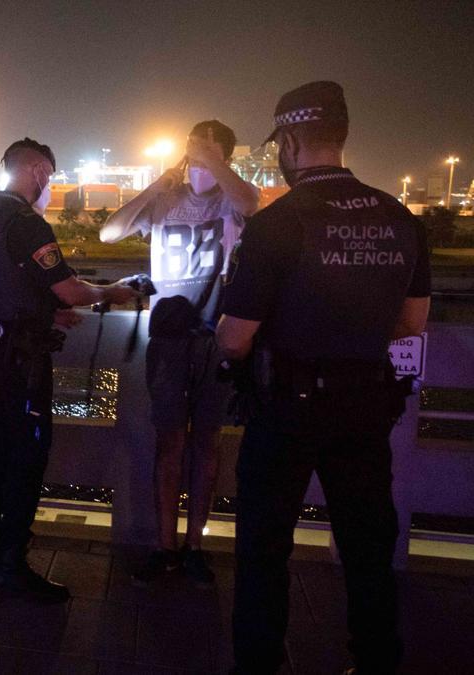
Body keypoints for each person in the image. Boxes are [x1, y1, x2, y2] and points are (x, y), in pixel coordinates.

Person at [217, 81, 430, 674]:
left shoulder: (278, 222)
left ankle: (259, 664)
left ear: (287, 141)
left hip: (286, 406)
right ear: (341, 137)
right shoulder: (399, 216)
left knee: (264, 547)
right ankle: (376, 660)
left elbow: (235, 336)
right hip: (366, 403)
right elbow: (411, 325)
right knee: (367, 546)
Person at [0, 138, 139, 603]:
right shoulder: (26, 222)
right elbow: (70, 289)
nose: (49, 187)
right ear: (39, 170)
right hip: (22, 359)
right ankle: (11, 562)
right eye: (50, 177)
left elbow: (4, 284)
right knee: (29, 450)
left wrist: (42, 311)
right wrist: (113, 291)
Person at [100, 120, 259, 587]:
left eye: (209, 155)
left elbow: (252, 204)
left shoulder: (231, 199)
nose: (198, 165)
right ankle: (164, 546)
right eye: (193, 153)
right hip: (167, 339)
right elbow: (111, 232)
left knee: (208, 443)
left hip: (216, 335)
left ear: (225, 157)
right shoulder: (167, 198)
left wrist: (213, 159)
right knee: (170, 442)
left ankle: (195, 546)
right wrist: (158, 182)